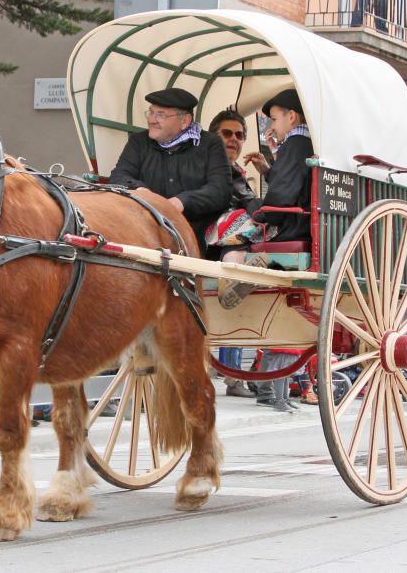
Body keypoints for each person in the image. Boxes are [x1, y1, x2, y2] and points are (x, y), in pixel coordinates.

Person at [218, 89, 314, 308]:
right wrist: (269, 169)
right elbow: (295, 182)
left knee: (225, 235)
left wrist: (255, 208)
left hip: (290, 225)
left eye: (274, 119)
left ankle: (236, 276)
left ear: (291, 117)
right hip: (301, 220)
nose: (272, 127)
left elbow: (279, 202)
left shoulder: (295, 144)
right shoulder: (307, 144)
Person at [109, 87, 233, 251]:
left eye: (160, 115)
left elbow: (221, 190)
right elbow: (119, 176)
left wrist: (182, 202)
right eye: (151, 112)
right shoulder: (138, 142)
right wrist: (141, 191)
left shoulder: (211, 144)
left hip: (197, 236)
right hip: (146, 233)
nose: (152, 120)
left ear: (185, 121)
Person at [207, 110, 256, 398]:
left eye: (239, 135)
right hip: (208, 230)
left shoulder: (234, 169)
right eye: (227, 133)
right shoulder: (215, 165)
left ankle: (239, 272)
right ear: (214, 136)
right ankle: (234, 272)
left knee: (250, 224)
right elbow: (247, 203)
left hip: (221, 230)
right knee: (246, 222)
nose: (234, 140)